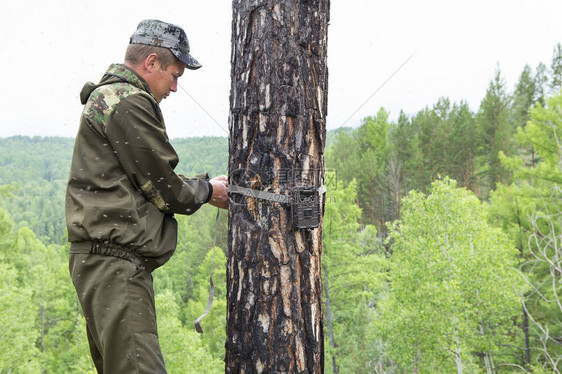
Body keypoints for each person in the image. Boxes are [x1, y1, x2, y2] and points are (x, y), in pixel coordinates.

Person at [65, 19, 228, 373]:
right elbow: (166, 189)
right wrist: (209, 190)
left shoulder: (108, 97)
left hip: (99, 262)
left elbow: (146, 178)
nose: (174, 88)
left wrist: (201, 187)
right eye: (174, 75)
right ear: (151, 63)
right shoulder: (128, 101)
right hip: (115, 264)